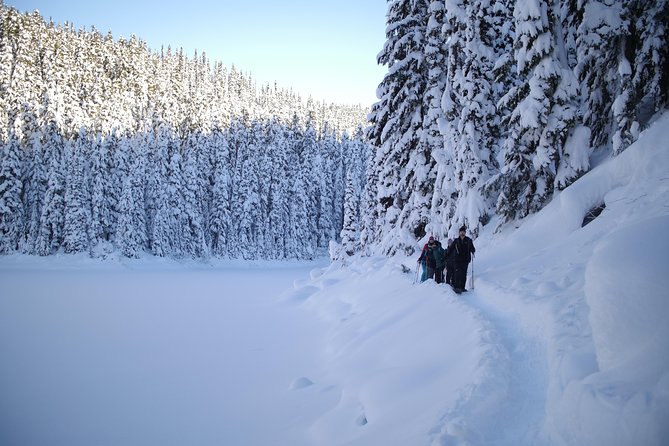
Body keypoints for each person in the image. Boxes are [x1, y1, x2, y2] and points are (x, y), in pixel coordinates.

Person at [452, 226, 475, 293]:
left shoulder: (468, 240)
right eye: (461, 232)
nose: (462, 233)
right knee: (457, 273)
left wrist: (473, 250)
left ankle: (462, 287)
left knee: (464, 274)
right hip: (457, 260)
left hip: (465, 260)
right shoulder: (456, 241)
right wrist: (446, 256)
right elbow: (451, 249)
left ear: (465, 232)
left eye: (463, 232)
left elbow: (472, 248)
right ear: (459, 233)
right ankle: (457, 287)